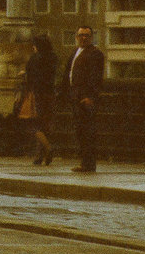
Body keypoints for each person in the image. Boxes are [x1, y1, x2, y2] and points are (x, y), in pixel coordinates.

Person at [58, 25, 105, 172]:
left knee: (88, 131)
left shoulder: (95, 54)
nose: (83, 38)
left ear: (91, 38)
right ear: (76, 37)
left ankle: (89, 164)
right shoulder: (75, 52)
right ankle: (84, 162)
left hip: (85, 98)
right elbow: (68, 73)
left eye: (86, 35)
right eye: (81, 35)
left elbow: (96, 78)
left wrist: (90, 97)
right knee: (80, 131)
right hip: (75, 96)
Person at [18, 33, 57, 165]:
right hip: (50, 93)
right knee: (46, 124)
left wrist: (25, 74)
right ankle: (40, 156)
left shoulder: (35, 58)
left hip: (36, 94)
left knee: (32, 124)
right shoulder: (53, 57)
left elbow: (32, 76)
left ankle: (48, 147)